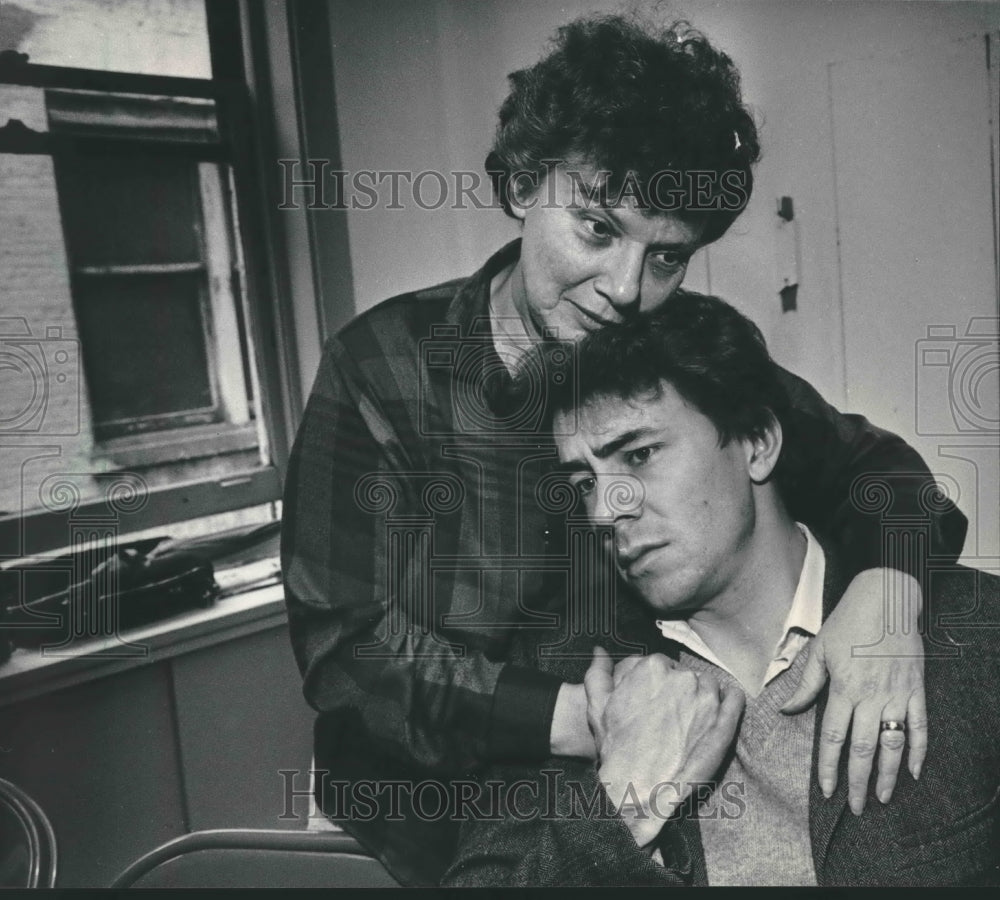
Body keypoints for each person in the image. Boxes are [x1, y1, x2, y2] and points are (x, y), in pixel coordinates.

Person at [280, 13, 967, 886]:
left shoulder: (672, 352)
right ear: (526, 182)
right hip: (404, 829)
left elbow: (876, 472)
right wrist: (600, 719)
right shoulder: (382, 368)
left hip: (628, 815)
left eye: (667, 257)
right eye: (598, 230)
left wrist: (888, 593)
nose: (625, 290)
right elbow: (349, 658)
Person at [442, 293, 1000, 887]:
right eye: (583, 483)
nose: (605, 511)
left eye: (640, 454)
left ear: (757, 442)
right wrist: (622, 803)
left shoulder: (970, 631)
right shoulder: (568, 675)